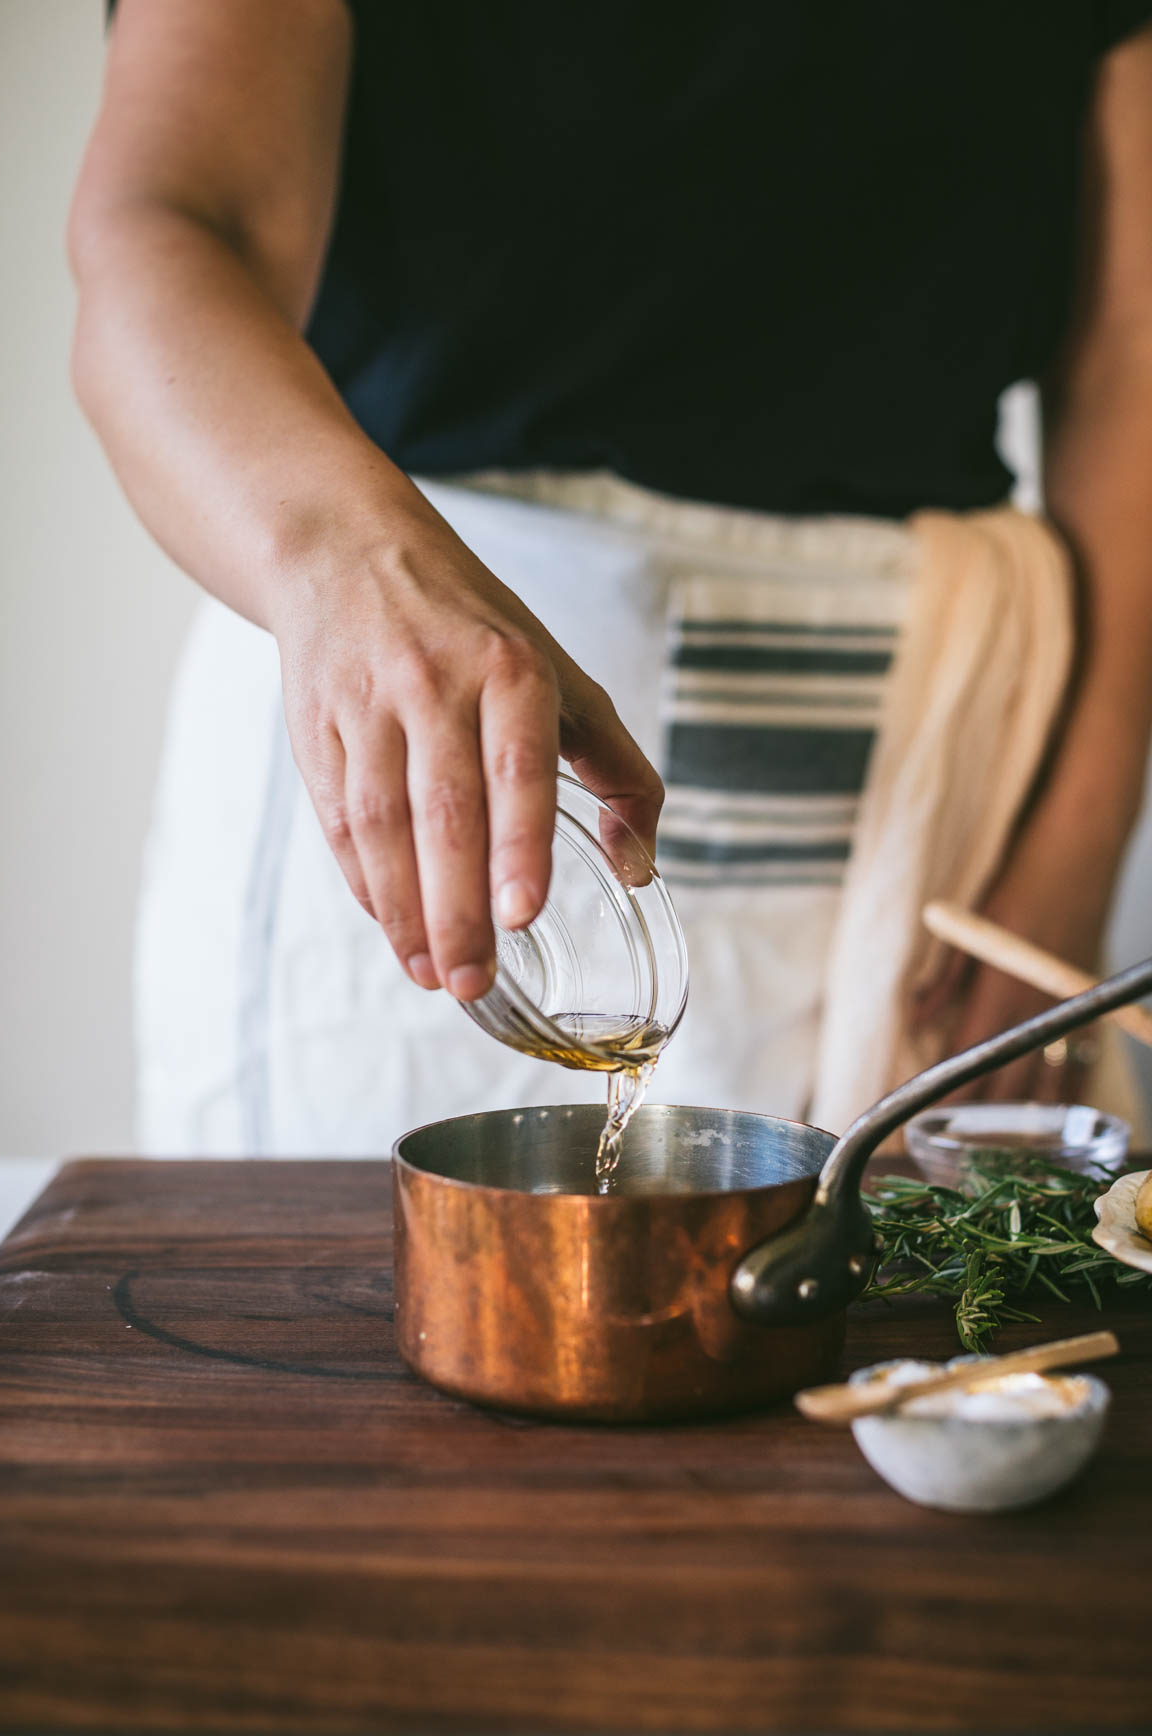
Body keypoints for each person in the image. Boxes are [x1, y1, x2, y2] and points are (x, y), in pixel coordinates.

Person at [69, 2, 1152, 1154]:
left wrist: (1069, 865)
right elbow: (169, 224)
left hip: (934, 793)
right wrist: (350, 560)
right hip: (397, 719)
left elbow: (1128, 358)